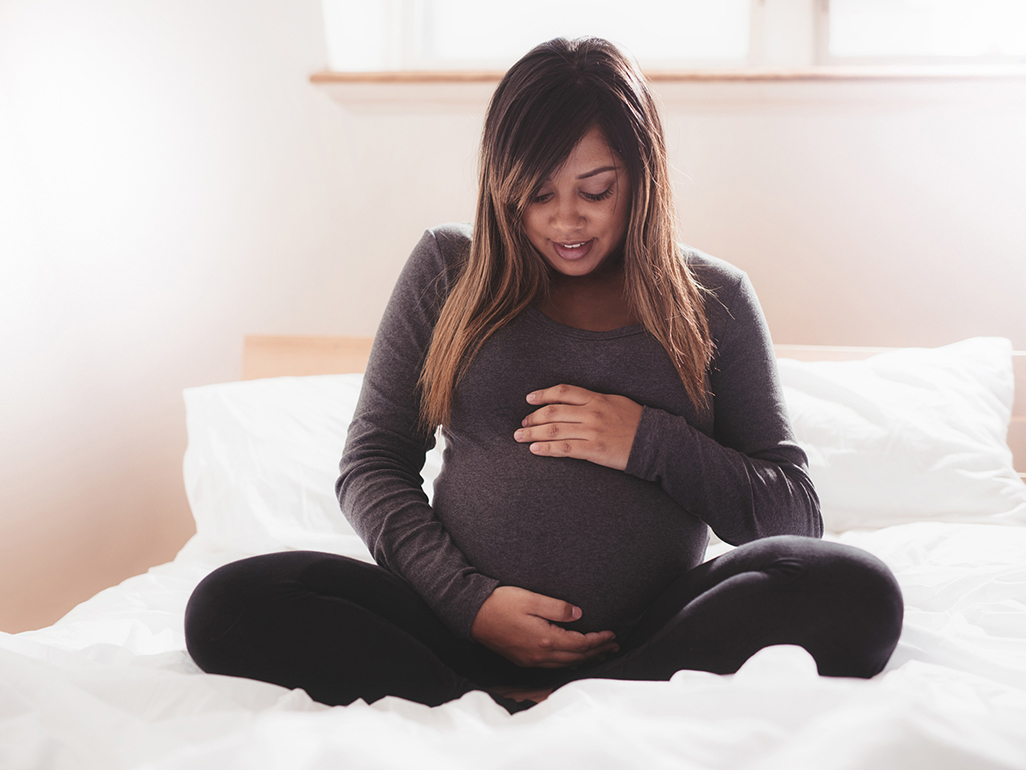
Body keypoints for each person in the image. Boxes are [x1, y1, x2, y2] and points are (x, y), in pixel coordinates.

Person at [184, 37, 903, 712]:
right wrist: (469, 602)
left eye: (595, 190)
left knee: (856, 590)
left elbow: (793, 515)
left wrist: (649, 442)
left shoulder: (714, 299)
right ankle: (487, 693)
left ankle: (582, 693)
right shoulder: (447, 270)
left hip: (655, 634)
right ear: (502, 186)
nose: (566, 221)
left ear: (641, 178)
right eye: (536, 194)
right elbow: (372, 465)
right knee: (227, 604)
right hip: (455, 627)